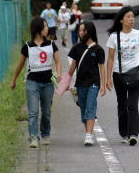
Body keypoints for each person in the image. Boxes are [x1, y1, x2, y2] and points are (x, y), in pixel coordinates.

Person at [10, 17, 62, 148]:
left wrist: (59, 74)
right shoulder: (27, 46)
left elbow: (58, 61)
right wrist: (14, 80)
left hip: (48, 83)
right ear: (38, 29)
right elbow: (20, 65)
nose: (47, 29)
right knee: (33, 112)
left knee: (46, 111)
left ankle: (45, 134)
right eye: (45, 26)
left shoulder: (51, 44)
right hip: (32, 82)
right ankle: (33, 137)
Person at [106, 7, 139, 146]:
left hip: (134, 73)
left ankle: (134, 135)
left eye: (133, 17)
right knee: (122, 104)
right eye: (129, 17)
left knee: (132, 104)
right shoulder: (114, 36)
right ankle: (124, 133)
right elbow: (111, 58)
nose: (132, 19)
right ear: (121, 20)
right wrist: (108, 78)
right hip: (118, 74)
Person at [68, 21, 106, 146]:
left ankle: (88, 135)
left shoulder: (98, 49)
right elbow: (73, 66)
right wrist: (65, 82)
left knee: (90, 106)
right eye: (79, 30)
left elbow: (102, 67)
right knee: (84, 109)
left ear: (89, 31)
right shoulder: (76, 48)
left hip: (94, 83)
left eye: (83, 30)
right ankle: (88, 133)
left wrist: (103, 84)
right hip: (80, 84)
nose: (80, 33)